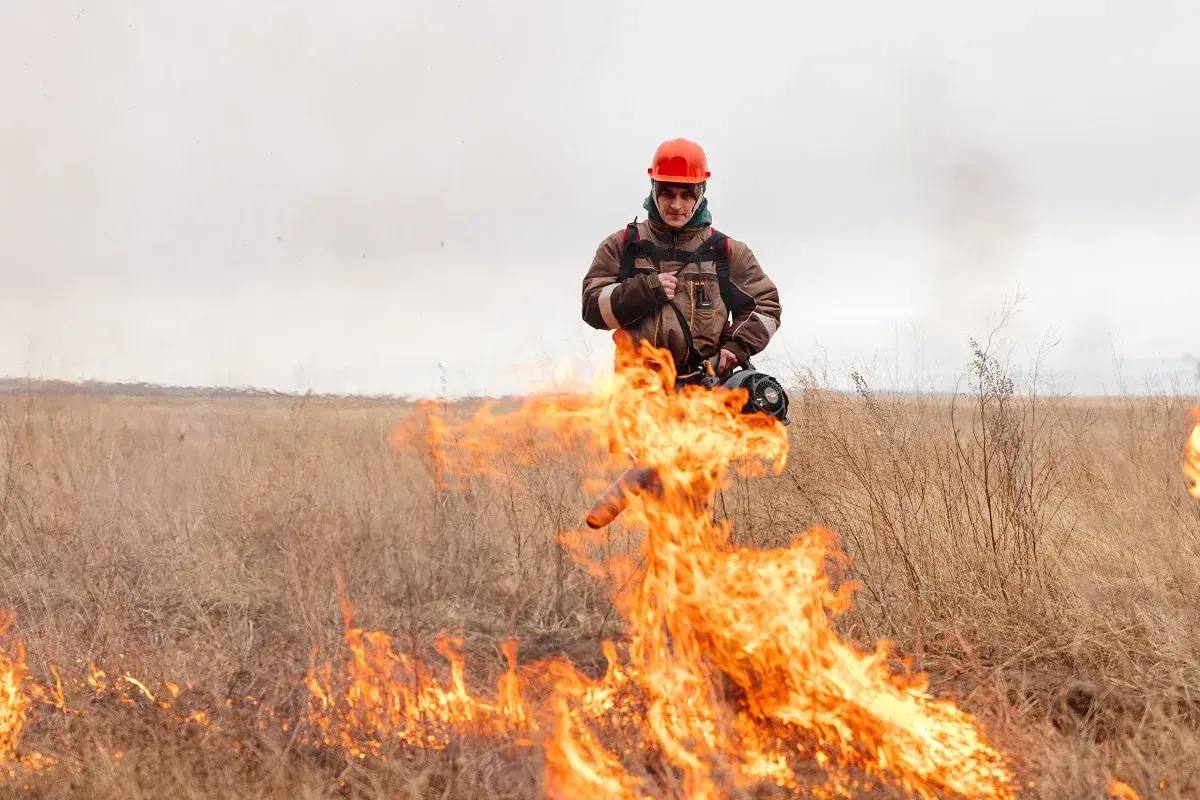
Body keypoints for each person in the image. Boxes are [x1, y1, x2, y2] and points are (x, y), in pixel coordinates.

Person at [581, 138, 781, 381]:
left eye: (687, 194)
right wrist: (646, 289)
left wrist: (737, 346)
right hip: (637, 395)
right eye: (667, 193)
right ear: (654, 189)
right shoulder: (622, 245)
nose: (677, 205)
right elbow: (593, 310)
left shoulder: (726, 251)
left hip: (706, 392)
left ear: (701, 192)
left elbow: (766, 306)